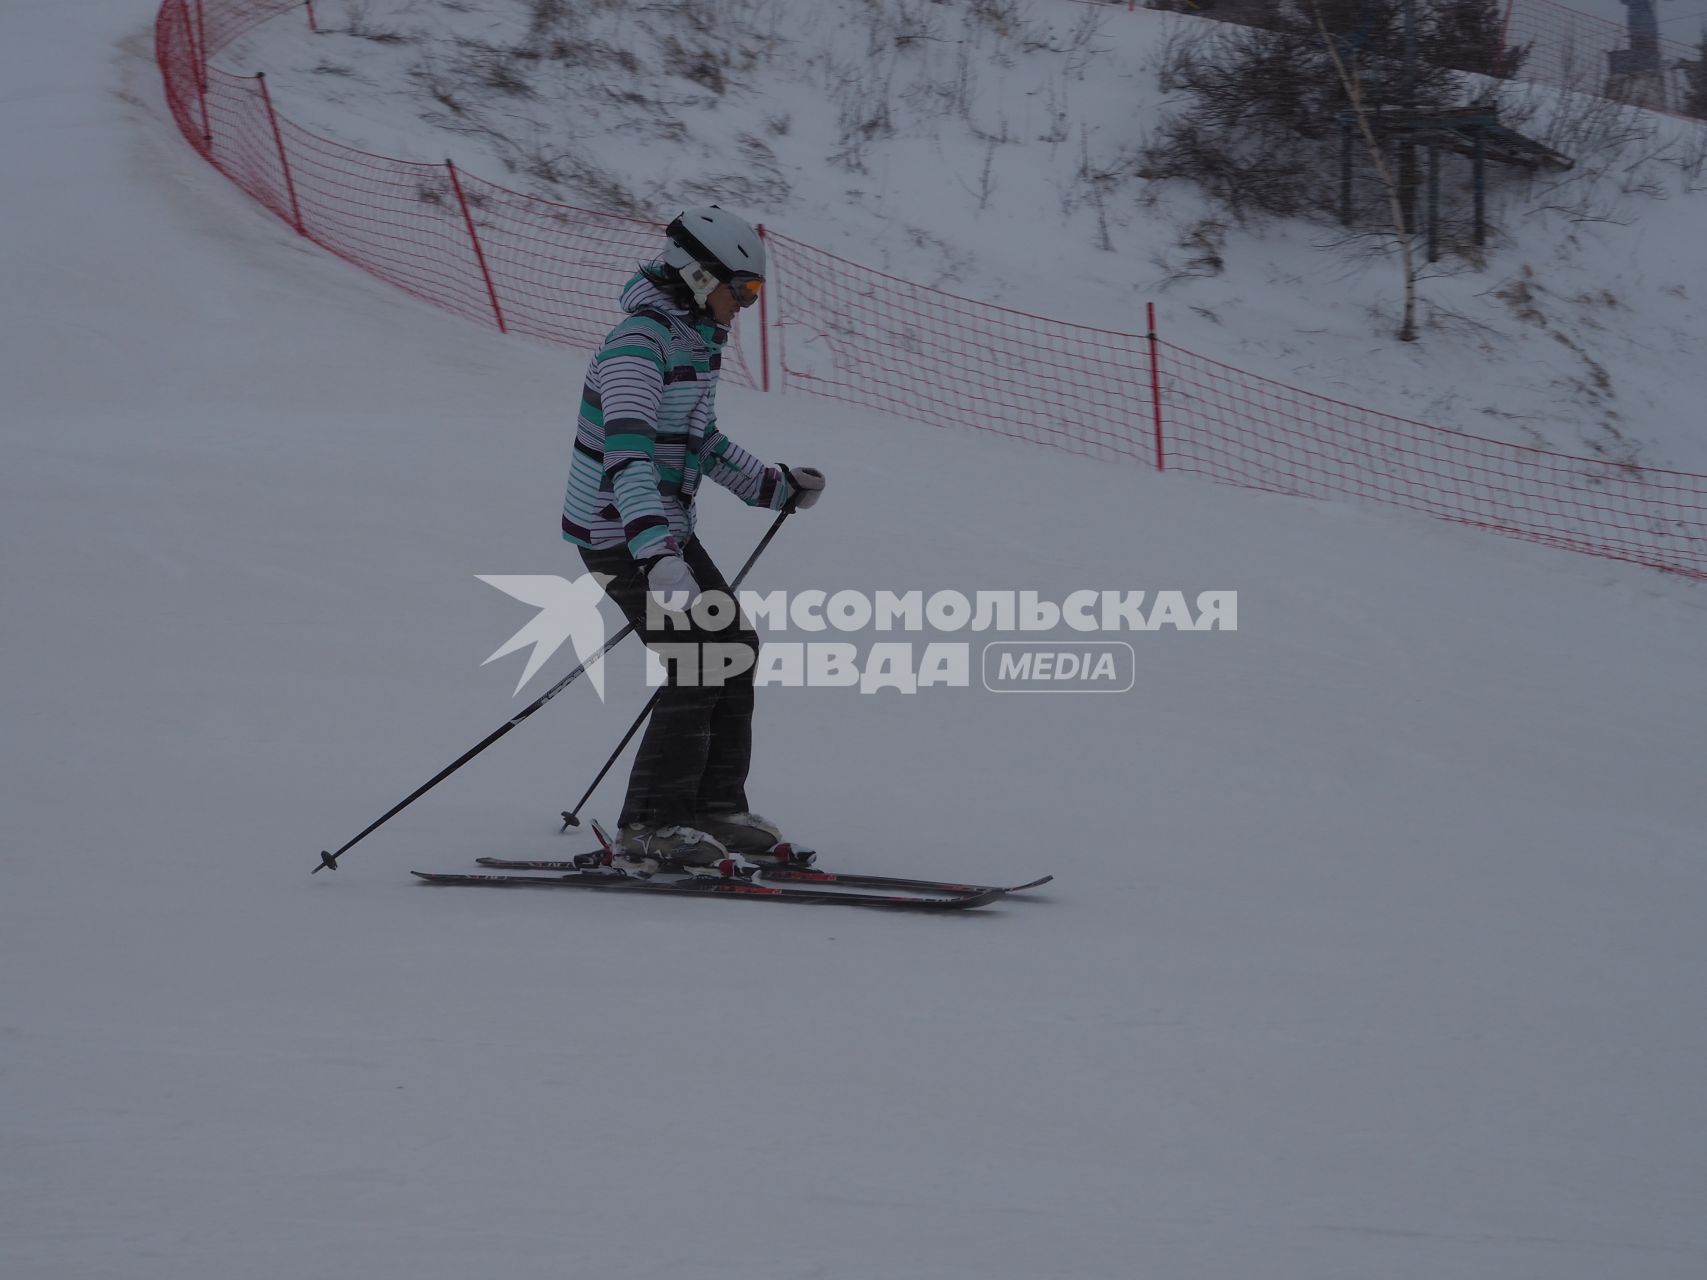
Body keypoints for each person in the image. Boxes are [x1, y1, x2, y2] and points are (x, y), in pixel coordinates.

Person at [561, 207, 826, 872]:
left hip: (662, 533)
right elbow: (628, 460)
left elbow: (696, 440)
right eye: (742, 290)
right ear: (696, 274)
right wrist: (654, 555)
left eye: (753, 293)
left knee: (732, 646)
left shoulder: (693, 341)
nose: (745, 304)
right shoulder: (635, 351)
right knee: (697, 659)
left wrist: (771, 485)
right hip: (619, 533)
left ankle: (711, 809)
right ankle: (648, 824)